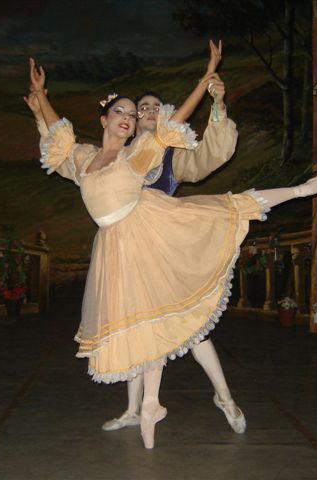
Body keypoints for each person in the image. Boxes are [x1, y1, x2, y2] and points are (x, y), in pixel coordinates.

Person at [27, 42, 317, 449]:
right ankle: (138, 409)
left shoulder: (152, 152)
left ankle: (299, 189)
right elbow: (61, 141)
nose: (140, 115)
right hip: (121, 248)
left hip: (167, 234)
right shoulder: (89, 156)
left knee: (195, 318)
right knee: (139, 325)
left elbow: (193, 137)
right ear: (109, 118)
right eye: (130, 110)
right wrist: (42, 101)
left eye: (147, 109)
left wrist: (209, 81)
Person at [100, 85, 247, 435]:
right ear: (133, 120)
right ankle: (134, 409)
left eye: (154, 106)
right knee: (134, 326)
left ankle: (225, 398)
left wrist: (218, 104)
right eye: (141, 107)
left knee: (192, 329)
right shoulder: (118, 154)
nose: (148, 111)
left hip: (165, 249)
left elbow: (211, 154)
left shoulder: (171, 153)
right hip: (129, 252)